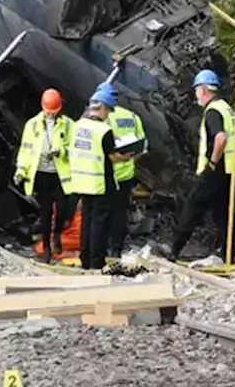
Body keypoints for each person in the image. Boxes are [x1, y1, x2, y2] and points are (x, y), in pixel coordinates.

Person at [165, 69, 235, 260]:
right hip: (232, 168)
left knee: (193, 206)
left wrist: (211, 163)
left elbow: (221, 138)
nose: (196, 96)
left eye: (196, 90)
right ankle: (228, 255)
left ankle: (174, 250)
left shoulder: (212, 111)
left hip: (217, 169)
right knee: (223, 213)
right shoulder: (226, 107)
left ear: (203, 90)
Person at [13, 88, 75, 262]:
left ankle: (57, 234)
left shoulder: (69, 125)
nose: (51, 115)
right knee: (46, 212)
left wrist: (60, 151)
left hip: (60, 174)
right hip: (41, 174)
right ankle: (47, 246)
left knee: (63, 209)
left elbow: (75, 147)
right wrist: (21, 171)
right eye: (49, 112)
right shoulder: (32, 125)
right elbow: (26, 150)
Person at [69, 89, 120, 270]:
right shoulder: (104, 130)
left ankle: (85, 260)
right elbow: (113, 157)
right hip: (100, 182)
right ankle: (97, 261)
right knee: (100, 224)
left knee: (86, 221)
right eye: (109, 110)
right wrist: (128, 155)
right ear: (103, 108)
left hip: (82, 181)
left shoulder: (77, 125)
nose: (108, 115)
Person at [96, 82, 148, 258]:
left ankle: (102, 249)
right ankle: (116, 248)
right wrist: (130, 160)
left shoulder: (102, 117)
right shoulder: (132, 117)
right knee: (120, 213)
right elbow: (143, 147)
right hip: (126, 175)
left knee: (103, 213)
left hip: (106, 174)